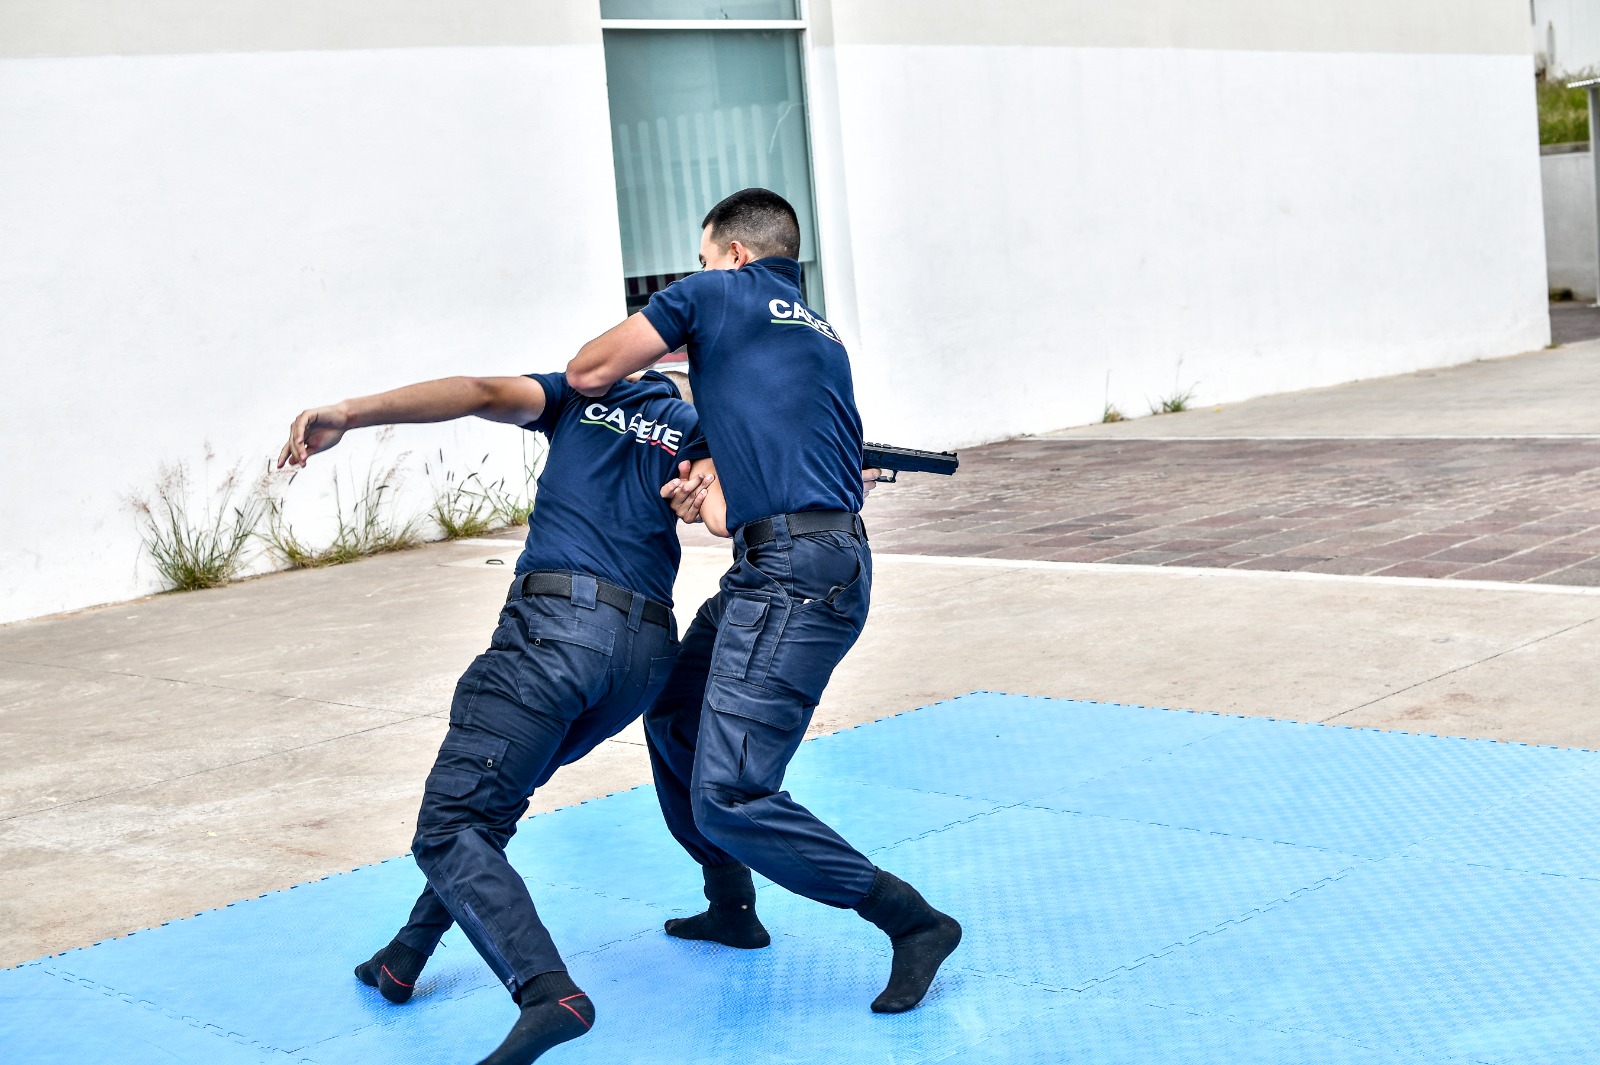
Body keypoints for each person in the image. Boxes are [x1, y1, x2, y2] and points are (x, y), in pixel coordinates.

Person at [565, 188, 963, 1014]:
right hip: (792, 562)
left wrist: (673, 326)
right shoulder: (817, 336)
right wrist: (703, 488)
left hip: (795, 578)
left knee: (732, 793)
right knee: (675, 708)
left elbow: (587, 371)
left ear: (734, 256)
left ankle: (913, 920)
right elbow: (725, 516)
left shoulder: (714, 295)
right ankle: (731, 905)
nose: (699, 273)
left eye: (704, 258)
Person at [276, 366, 698, 1065]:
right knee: (491, 804)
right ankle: (404, 956)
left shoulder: (581, 394)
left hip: (556, 635)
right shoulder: (697, 430)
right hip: (644, 659)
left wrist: (347, 413)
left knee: (450, 825)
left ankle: (547, 993)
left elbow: (476, 392)